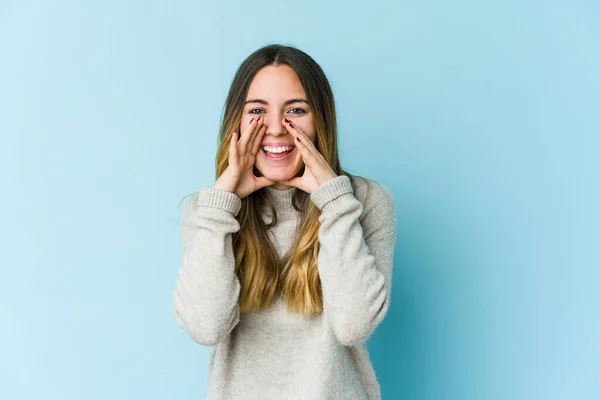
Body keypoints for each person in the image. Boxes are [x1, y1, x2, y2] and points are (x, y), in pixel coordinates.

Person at [173, 43, 397, 400]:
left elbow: (354, 325)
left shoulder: (366, 202)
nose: (276, 128)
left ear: (320, 119)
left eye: (296, 109)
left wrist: (335, 202)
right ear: (236, 121)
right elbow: (206, 327)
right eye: (257, 110)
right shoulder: (208, 211)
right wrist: (221, 207)